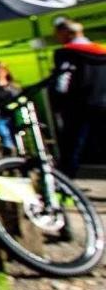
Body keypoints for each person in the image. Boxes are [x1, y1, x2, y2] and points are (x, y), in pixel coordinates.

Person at [50, 17, 106, 178]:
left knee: (71, 147)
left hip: (78, 106)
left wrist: (58, 103)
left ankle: (66, 186)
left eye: (57, 34)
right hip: (103, 103)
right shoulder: (102, 51)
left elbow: (62, 81)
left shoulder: (66, 53)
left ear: (65, 33)